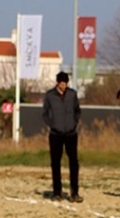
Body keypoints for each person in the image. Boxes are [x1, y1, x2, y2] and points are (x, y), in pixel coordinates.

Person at [42, 71, 83, 203]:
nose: (64, 86)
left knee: (74, 163)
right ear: (57, 83)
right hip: (55, 134)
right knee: (55, 163)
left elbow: (77, 111)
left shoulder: (72, 94)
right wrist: (52, 125)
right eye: (62, 83)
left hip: (71, 133)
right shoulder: (50, 96)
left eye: (65, 83)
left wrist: (74, 123)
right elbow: (44, 114)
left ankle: (74, 192)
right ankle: (57, 192)